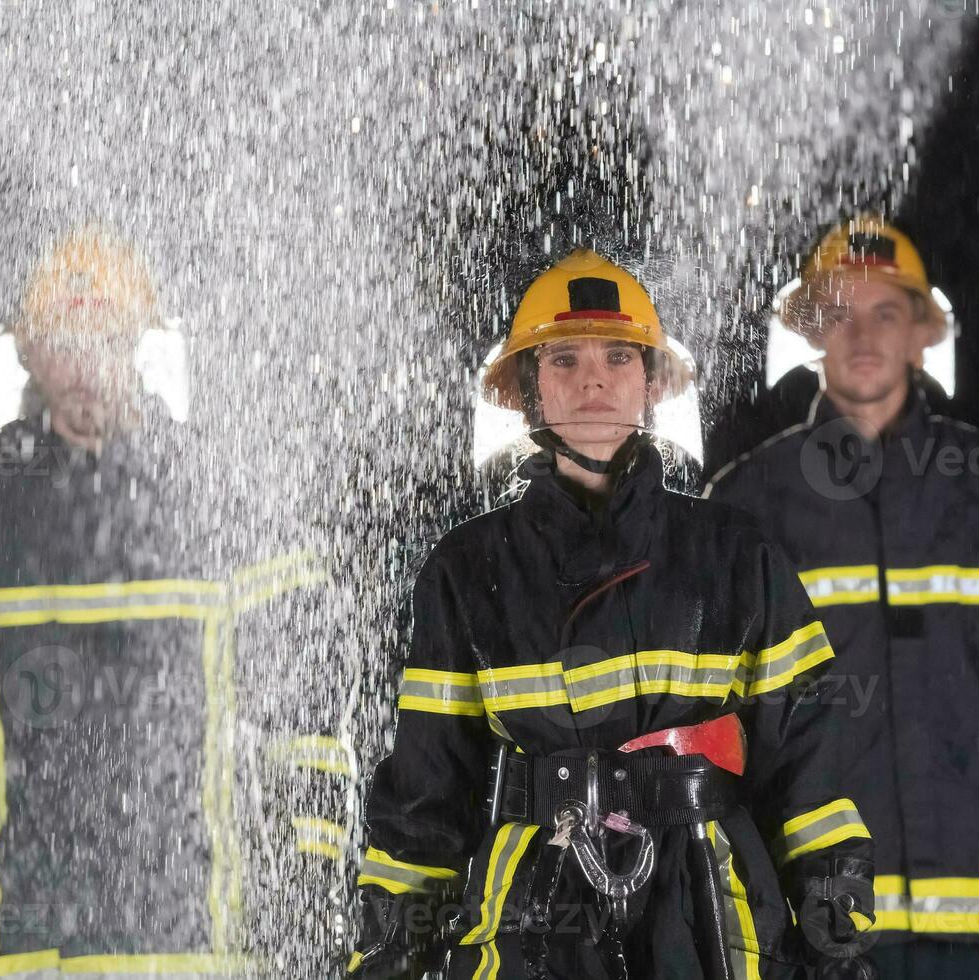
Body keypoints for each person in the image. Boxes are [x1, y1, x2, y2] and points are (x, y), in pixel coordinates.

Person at [349, 248, 875, 980]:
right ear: (531, 392)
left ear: (650, 385)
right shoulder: (467, 570)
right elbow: (429, 784)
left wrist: (830, 905)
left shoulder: (734, 553)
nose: (593, 378)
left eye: (619, 357)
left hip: (709, 908)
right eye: (562, 360)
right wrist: (394, 941)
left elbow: (807, 755)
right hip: (533, 916)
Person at [0, 226, 351, 979]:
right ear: (29, 353)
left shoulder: (227, 518)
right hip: (17, 958)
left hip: (199, 954)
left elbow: (310, 711)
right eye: (63, 339)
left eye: (103, 337)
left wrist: (314, 876)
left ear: (136, 344)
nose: (84, 363)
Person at [704, 216, 979, 979]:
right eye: (840, 313)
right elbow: (719, 711)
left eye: (885, 312)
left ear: (922, 334)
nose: (862, 335)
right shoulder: (747, 507)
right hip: (824, 920)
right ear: (812, 334)